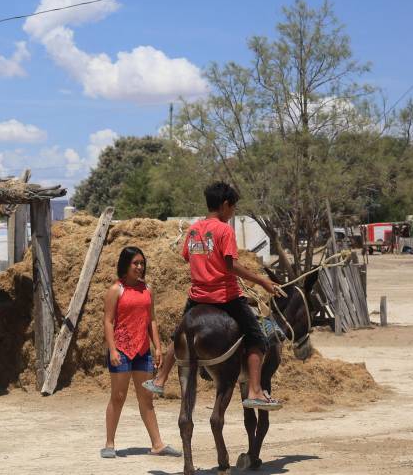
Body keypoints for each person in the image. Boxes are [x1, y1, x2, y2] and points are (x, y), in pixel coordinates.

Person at [144, 182, 282, 410]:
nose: (233, 212)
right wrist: (262, 281)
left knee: (179, 334)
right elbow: (231, 266)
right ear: (225, 205)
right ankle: (256, 391)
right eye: (233, 208)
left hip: (197, 296)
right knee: (258, 338)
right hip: (225, 298)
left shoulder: (194, 229)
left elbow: (188, 256)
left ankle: (160, 379)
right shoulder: (225, 230)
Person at [101, 246, 180, 459]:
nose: (139, 267)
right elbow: (108, 322)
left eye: (142, 263)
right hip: (122, 350)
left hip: (143, 350)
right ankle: (109, 443)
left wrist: (158, 347)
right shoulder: (115, 290)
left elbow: (151, 320)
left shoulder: (148, 289)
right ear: (125, 265)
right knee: (118, 396)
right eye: (135, 263)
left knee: (146, 397)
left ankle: (157, 444)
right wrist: (113, 350)